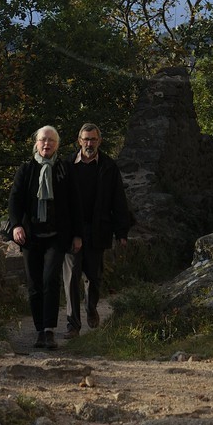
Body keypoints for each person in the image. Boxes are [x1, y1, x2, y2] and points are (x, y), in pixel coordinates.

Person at [6, 125, 83, 349]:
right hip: (31, 237)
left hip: (57, 236)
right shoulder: (26, 169)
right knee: (34, 284)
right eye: (42, 140)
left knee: (50, 280)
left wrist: (78, 235)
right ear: (36, 143)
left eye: (51, 140)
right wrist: (16, 226)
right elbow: (15, 200)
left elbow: (75, 204)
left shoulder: (65, 170)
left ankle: (49, 331)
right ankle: (39, 330)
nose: (46, 144)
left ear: (57, 145)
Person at [62, 122, 133, 336]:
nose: (89, 143)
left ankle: (91, 308)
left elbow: (118, 201)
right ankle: (73, 325)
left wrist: (122, 232)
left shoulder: (109, 167)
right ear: (79, 141)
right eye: (86, 139)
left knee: (94, 276)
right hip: (72, 229)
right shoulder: (67, 165)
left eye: (93, 139)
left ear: (99, 141)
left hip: (98, 229)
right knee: (71, 278)